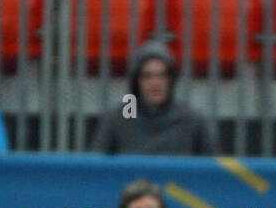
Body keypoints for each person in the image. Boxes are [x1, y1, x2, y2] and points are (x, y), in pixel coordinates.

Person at [89, 41, 218, 155]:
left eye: (162, 76)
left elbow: (212, 171)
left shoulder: (192, 120)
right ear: (136, 81)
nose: (155, 83)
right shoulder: (117, 119)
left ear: (171, 80)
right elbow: (96, 169)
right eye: (147, 76)